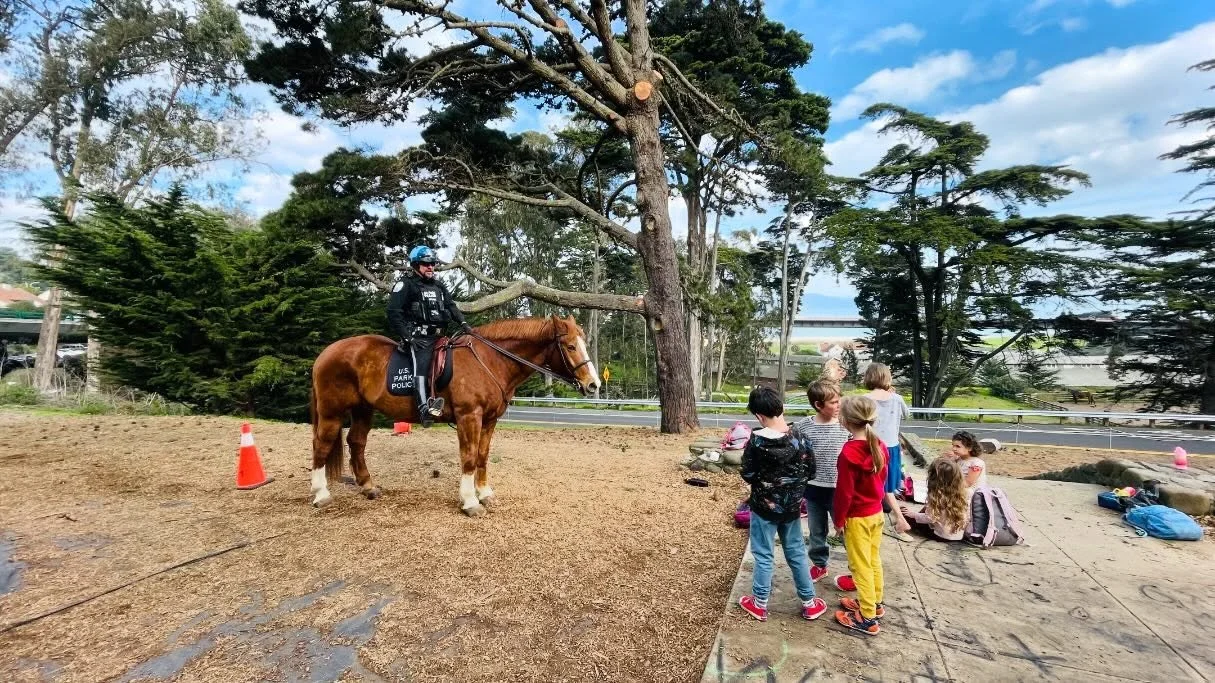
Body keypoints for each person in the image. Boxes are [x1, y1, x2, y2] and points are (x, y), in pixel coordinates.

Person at [738, 386, 828, 623]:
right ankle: (810, 603)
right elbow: (811, 471)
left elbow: (748, 473)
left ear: (758, 416)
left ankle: (759, 603)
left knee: (764, 554)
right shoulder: (801, 438)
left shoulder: (756, 442)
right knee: (796, 552)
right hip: (791, 509)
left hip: (763, 508)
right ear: (782, 407)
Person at [386, 245, 471, 427]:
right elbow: (394, 312)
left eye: (432, 264)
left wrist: (464, 324)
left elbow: (451, 306)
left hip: (440, 337)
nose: (431, 267)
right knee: (421, 366)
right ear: (416, 265)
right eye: (426, 264)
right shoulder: (406, 285)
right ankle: (424, 409)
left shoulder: (438, 286)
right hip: (418, 340)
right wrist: (407, 337)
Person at [832, 395, 888, 636]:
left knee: (860, 567)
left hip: (857, 517)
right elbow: (883, 481)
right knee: (873, 560)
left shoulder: (848, 453)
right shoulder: (880, 445)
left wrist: (838, 520)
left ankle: (866, 617)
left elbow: (844, 493)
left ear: (844, 421)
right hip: (876, 513)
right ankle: (874, 603)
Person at [791, 379, 850, 584]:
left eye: (838, 400)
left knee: (847, 532)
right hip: (814, 489)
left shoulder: (847, 424)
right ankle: (819, 564)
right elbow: (796, 454)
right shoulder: (803, 426)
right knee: (817, 531)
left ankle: (857, 569)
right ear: (818, 405)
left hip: (840, 491)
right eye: (833, 402)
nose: (838, 405)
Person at [862, 363, 912, 542]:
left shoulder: (864, 398)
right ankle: (890, 518)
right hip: (891, 446)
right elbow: (907, 415)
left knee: (877, 486)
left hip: (871, 446)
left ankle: (899, 519)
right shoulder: (896, 398)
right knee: (888, 485)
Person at [899, 458, 968, 541]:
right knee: (924, 510)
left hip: (940, 535)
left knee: (904, 515)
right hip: (957, 536)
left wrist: (913, 514)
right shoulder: (961, 493)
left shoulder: (938, 496)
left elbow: (930, 518)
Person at [946, 430, 988, 500]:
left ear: (969, 448)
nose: (954, 449)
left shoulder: (976, 463)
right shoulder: (959, 460)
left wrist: (947, 485)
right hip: (959, 489)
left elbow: (967, 483)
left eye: (958, 446)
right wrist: (949, 461)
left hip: (972, 495)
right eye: (953, 445)